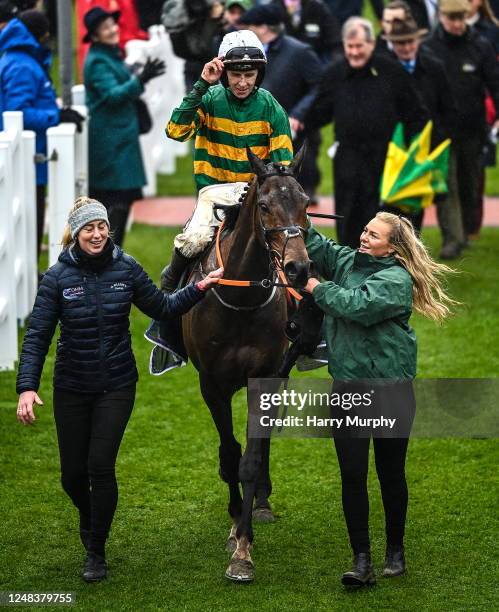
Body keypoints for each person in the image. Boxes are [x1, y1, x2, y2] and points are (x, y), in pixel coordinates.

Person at [15, 196, 223, 583]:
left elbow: (162, 306)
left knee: (100, 466)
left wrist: (199, 288)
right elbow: (37, 337)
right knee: (71, 476)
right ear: (76, 234)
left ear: (109, 229)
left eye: (102, 227)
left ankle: (96, 549)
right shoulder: (57, 278)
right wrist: (27, 387)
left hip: (116, 384)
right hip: (71, 387)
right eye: (89, 229)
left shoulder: (127, 268)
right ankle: (90, 517)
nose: (97, 235)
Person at [304, 211, 457, 587]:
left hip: (389, 391)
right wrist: (290, 205)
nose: (364, 237)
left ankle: (396, 551)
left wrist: (314, 288)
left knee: (390, 473)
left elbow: (356, 305)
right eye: (365, 230)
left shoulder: (396, 279)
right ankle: (361, 561)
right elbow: (317, 245)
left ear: (393, 246)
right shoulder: (348, 261)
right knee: (352, 476)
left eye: (374, 234)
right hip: (348, 388)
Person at [163, 29, 293, 291]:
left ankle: (309, 316)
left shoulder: (272, 108)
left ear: (259, 74)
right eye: (235, 74)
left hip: (258, 197)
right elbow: (175, 131)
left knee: (299, 240)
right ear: (223, 72)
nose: (242, 82)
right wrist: (201, 84)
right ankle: (169, 292)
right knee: (193, 239)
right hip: (214, 194)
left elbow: (283, 169)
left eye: (249, 75)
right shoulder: (208, 99)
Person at [305, 17, 428, 248]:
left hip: (385, 159)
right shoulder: (334, 74)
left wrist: (409, 155)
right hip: (347, 160)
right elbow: (319, 113)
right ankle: (350, 267)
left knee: (386, 219)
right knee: (348, 215)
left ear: (371, 44)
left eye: (359, 46)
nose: (354, 52)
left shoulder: (391, 71)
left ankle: (389, 269)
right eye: (349, 47)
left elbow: (416, 114)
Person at [0, 10, 84, 260]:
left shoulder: (20, 60)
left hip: (29, 157)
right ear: (38, 35)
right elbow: (17, 113)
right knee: (28, 222)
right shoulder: (22, 65)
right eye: (46, 34)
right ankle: (30, 276)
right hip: (26, 160)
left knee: (30, 221)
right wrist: (56, 117)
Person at [83, 6, 165, 247]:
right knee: (113, 203)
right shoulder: (98, 60)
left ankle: (112, 256)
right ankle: (107, 256)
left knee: (122, 202)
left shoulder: (109, 55)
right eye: (105, 28)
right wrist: (140, 80)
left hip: (120, 139)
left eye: (112, 24)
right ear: (95, 35)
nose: (112, 30)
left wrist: (138, 77)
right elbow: (112, 96)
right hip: (110, 143)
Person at [423, 0, 499, 255]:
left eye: (460, 19)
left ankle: (466, 230)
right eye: (451, 19)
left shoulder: (480, 46)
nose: (456, 24)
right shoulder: (430, 48)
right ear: (442, 17)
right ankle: (451, 239)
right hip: (442, 130)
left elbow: (495, 84)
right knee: (447, 184)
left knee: (469, 182)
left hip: (473, 129)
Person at [238, 4, 323, 204]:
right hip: (257, 130)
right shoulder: (250, 54)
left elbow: (319, 85)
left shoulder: (299, 52)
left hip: (295, 131)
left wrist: (298, 114)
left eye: (250, 26)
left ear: (263, 28)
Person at [384, 17, 457, 232]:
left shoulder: (434, 68)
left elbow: (449, 109)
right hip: (390, 152)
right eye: (400, 43)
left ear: (417, 41)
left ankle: (411, 257)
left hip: (422, 152)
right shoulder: (383, 68)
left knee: (414, 211)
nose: (406, 47)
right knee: (386, 210)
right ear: (392, 44)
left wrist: (434, 141)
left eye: (410, 42)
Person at [272, 0, 341, 62]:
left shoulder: (317, 8)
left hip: (313, 61)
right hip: (282, 63)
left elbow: (335, 40)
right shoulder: (272, 9)